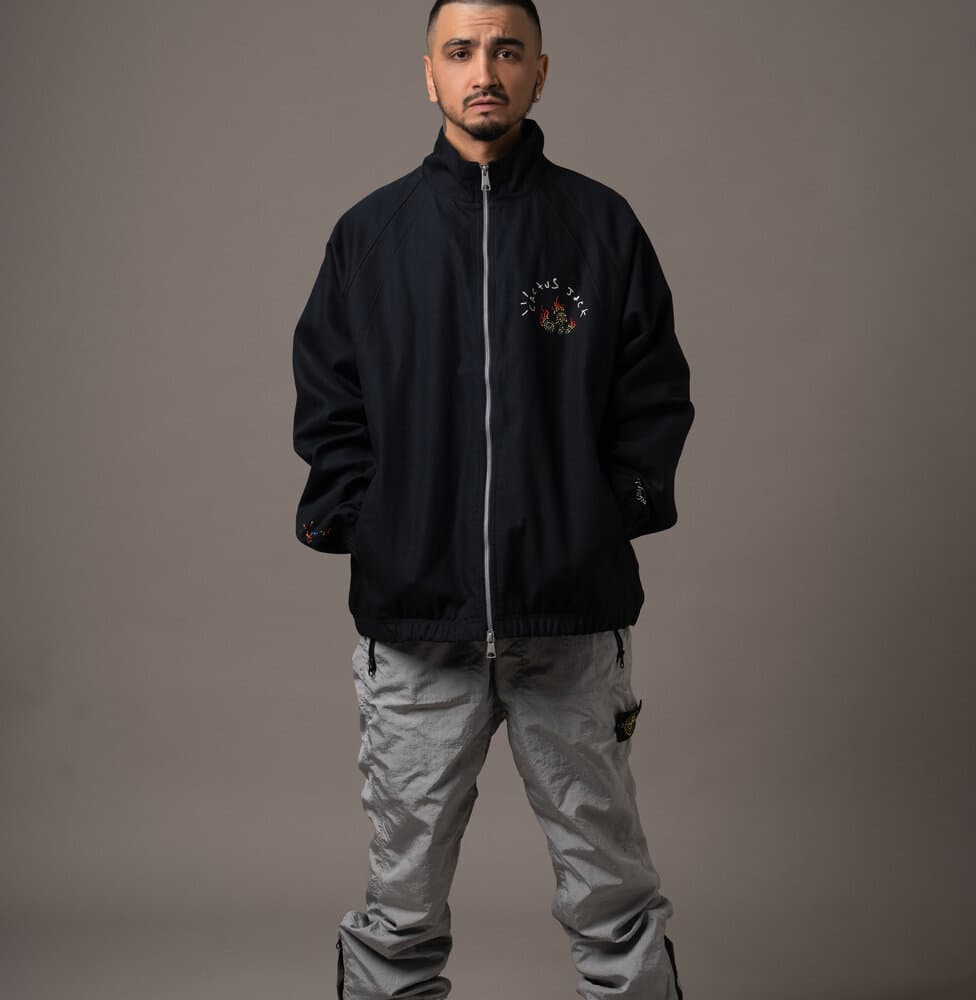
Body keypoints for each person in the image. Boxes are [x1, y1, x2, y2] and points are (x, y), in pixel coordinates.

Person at [291, 2, 694, 996]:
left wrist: (599, 516)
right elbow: (329, 400)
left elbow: (652, 392)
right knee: (402, 904)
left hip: (569, 622)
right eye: (462, 52)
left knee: (612, 896)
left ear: (539, 72)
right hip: (416, 625)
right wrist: (373, 528)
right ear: (428, 73)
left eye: (507, 51)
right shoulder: (372, 235)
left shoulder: (599, 226)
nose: (485, 71)